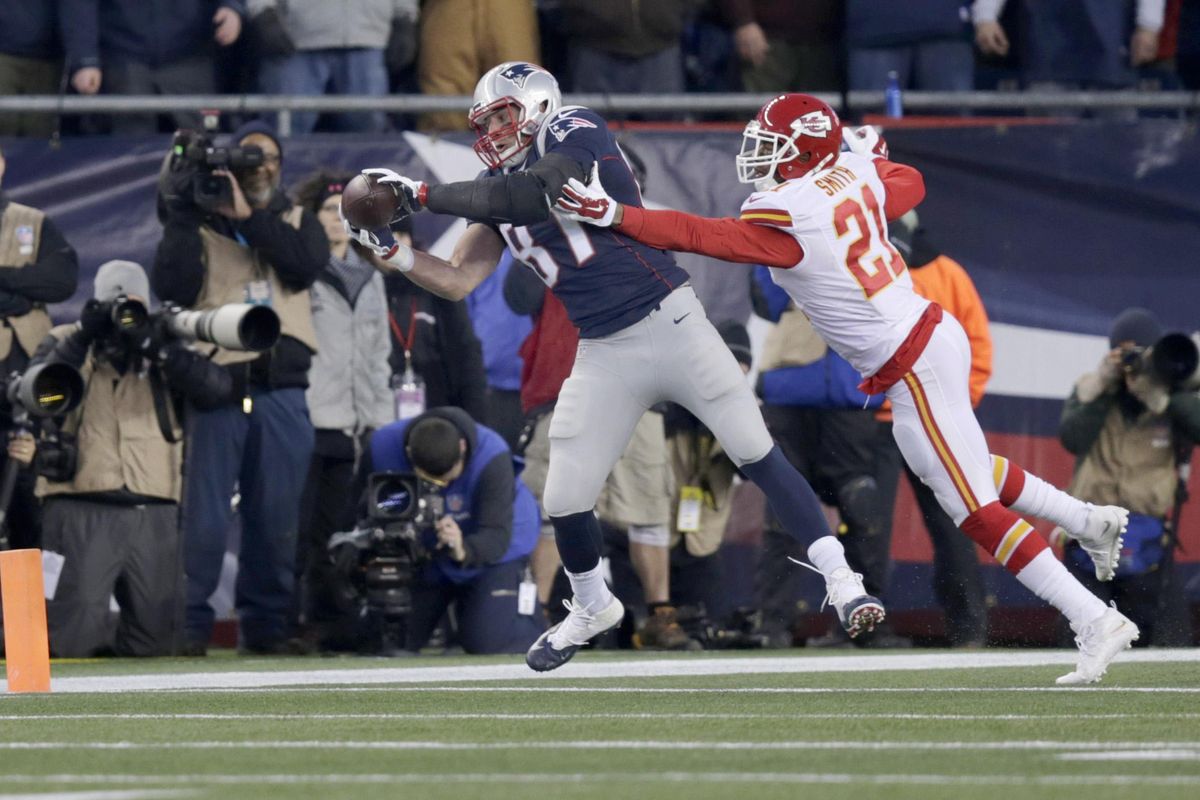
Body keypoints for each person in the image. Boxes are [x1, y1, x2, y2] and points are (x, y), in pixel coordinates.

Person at [553, 92, 1140, 685]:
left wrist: (618, 215)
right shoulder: (848, 171)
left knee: (971, 507)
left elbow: (704, 236)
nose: (760, 156)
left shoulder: (791, 210)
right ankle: (1091, 521)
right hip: (922, 341)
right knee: (959, 471)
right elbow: (908, 183)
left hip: (913, 358)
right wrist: (868, 159)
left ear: (802, 151)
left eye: (773, 146)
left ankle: (1092, 617)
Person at [342, 62, 881, 672]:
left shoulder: (575, 129)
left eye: (501, 115)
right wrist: (395, 251)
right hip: (602, 348)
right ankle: (593, 604)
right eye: (484, 121)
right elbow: (460, 277)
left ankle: (843, 582)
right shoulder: (494, 185)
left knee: (755, 451)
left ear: (537, 105)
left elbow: (536, 193)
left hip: (672, 322)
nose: (492, 131)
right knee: (565, 493)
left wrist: (419, 194)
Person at [152, 120, 326, 655]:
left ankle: (267, 629)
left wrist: (251, 218)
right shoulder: (195, 221)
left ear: (280, 168)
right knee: (202, 520)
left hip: (282, 392)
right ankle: (187, 627)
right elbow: (173, 288)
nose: (261, 167)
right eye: (250, 157)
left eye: (269, 159)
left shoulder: (298, 218)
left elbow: (303, 269)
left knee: (276, 519)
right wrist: (184, 215)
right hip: (218, 388)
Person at [32, 260, 232, 657]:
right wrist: (84, 337)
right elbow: (37, 391)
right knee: (73, 629)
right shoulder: (65, 338)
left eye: (132, 304)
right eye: (114, 304)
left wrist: (155, 346)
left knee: (158, 635)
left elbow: (215, 390)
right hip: (79, 499)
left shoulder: (164, 340)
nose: (123, 315)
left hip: (154, 503)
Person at [291, 172, 393, 645]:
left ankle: (331, 620)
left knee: (339, 529)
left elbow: (379, 357)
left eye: (342, 212)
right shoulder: (299, 274)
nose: (335, 221)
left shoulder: (372, 276)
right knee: (301, 527)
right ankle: (297, 618)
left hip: (359, 424)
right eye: (326, 212)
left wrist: (381, 420)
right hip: (311, 417)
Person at [1058, 308, 1200, 645]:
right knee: (1077, 647)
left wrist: (1163, 399)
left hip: (1148, 541)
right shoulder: (1092, 388)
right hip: (1088, 534)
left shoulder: (1175, 396)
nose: (1134, 363)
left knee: (1171, 648)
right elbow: (1072, 438)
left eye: (1142, 353)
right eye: (1124, 353)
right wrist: (1103, 386)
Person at [363, 407, 544, 654]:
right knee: (389, 642)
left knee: (488, 642)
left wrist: (463, 548)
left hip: (492, 551)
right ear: (408, 455)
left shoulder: (491, 454)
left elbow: (496, 535)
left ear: (462, 447)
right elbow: (361, 510)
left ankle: (520, 622)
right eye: (431, 482)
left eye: (448, 479)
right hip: (425, 553)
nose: (443, 487)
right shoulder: (383, 446)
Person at [0, 142, 79, 550]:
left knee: (30, 507)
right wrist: (23, 297)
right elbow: (43, 283)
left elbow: (62, 280)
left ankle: (28, 611)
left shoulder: (33, 222)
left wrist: (4, 280)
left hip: (30, 385)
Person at [62, 0, 244, 134]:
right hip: (122, 55)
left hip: (192, 54)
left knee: (201, 148)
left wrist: (232, 7)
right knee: (127, 150)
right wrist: (85, 59)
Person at [248, 0, 418, 133]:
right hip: (294, 40)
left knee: (367, 135)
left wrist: (404, 15)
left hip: (368, 39)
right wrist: (263, 12)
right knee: (285, 129)